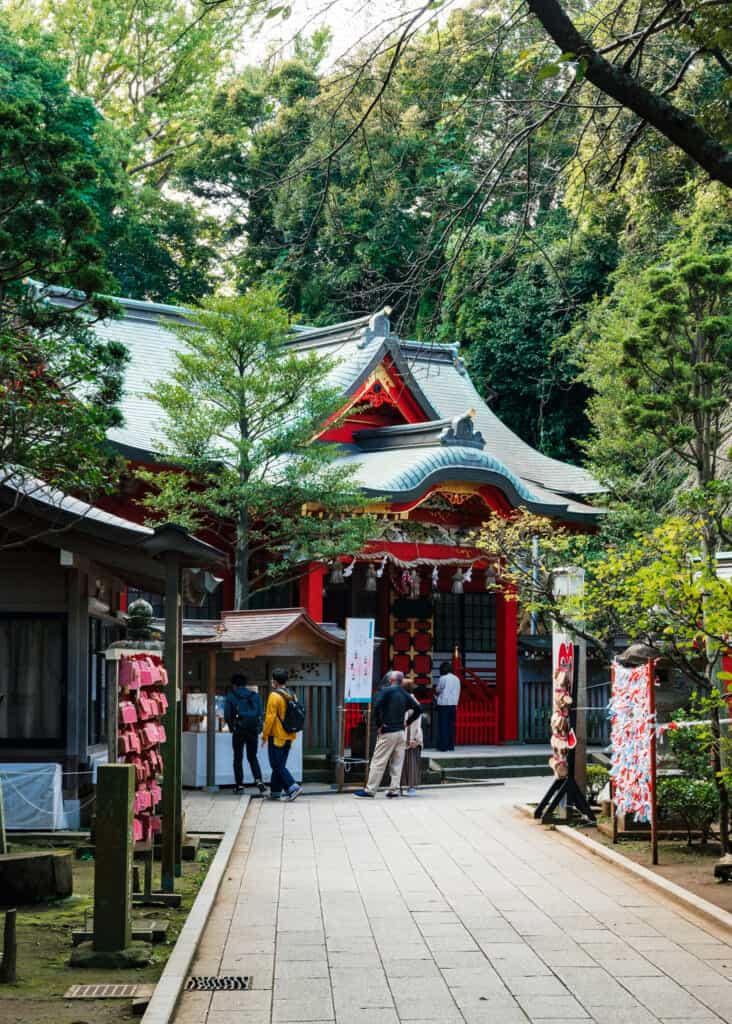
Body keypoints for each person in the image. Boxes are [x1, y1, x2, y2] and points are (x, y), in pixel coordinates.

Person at [353, 670, 422, 799]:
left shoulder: (385, 691)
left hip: (388, 730)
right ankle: (393, 790)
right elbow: (418, 709)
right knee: (397, 762)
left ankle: (370, 789)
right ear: (401, 681)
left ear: (390, 680)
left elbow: (376, 708)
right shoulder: (405, 693)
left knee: (378, 761)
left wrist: (379, 725)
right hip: (401, 731)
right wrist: (408, 722)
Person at [261, 667, 302, 801]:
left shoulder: (274, 696)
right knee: (279, 764)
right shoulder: (292, 693)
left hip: (277, 735)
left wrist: (264, 735)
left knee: (276, 765)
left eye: (273, 679)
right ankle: (275, 792)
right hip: (289, 735)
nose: (272, 681)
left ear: (275, 681)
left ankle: (292, 787)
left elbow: (270, 718)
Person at [224, 674, 266, 795]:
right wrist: (258, 729)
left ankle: (239, 785)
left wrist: (233, 728)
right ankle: (259, 781)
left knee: (238, 758)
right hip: (252, 730)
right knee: (252, 757)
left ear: (234, 685)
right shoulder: (255, 696)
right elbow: (260, 714)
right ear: (245, 684)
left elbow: (227, 715)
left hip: (239, 731)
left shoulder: (231, 697)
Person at [434, 661, 461, 751]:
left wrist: (436, 691)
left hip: (444, 704)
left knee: (443, 725)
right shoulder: (457, 678)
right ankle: (450, 745)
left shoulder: (443, 678)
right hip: (453, 704)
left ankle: (443, 746)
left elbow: (438, 689)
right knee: (451, 725)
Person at [400, 698, 424, 796]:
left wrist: (416, 739)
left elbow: (417, 725)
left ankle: (410, 787)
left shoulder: (413, 704)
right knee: (401, 764)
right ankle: (401, 787)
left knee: (410, 763)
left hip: (411, 736)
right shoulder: (409, 702)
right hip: (403, 737)